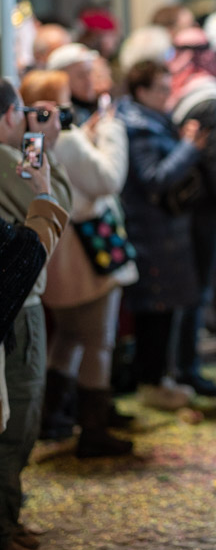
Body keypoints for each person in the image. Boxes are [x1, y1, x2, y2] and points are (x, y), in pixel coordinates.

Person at [20, 71, 137, 457]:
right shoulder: (66, 141)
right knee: (97, 342)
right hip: (88, 257)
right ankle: (93, 428)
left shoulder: (28, 143)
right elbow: (108, 178)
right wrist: (110, 131)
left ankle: (51, 415)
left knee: (68, 337)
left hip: (55, 256)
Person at [0, 79, 72, 550]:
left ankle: (7, 521)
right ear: (9, 115)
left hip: (20, 299)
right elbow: (59, 204)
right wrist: (49, 151)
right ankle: (2, 534)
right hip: (17, 304)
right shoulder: (6, 160)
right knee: (17, 420)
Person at [117, 60, 207, 410]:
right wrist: (189, 148)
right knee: (155, 311)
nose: (167, 94)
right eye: (160, 88)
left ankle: (158, 380)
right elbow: (154, 178)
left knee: (162, 310)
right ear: (141, 91)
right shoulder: (139, 127)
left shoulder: (146, 120)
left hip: (160, 230)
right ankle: (153, 383)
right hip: (150, 232)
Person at [166, 27, 216, 396]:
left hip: (177, 208)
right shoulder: (210, 96)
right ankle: (187, 368)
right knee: (197, 289)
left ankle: (177, 366)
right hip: (207, 210)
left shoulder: (177, 91)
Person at [46, 42, 100, 125]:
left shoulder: (92, 107)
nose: (89, 81)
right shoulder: (57, 119)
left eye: (90, 72)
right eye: (81, 75)